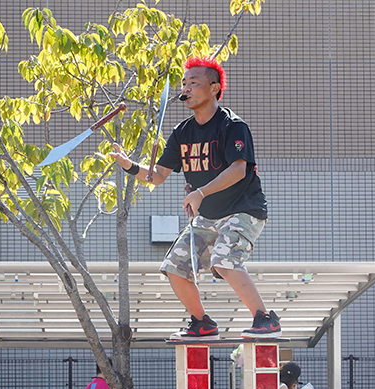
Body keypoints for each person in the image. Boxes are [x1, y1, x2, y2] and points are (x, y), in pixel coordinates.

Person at [108, 56, 280, 339]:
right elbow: (157, 175)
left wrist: (200, 192)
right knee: (174, 267)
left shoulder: (232, 126)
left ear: (214, 88)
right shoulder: (182, 133)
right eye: (184, 83)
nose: (185, 88)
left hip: (243, 210)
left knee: (224, 260)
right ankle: (202, 323)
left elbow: (238, 170)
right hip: (208, 216)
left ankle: (265, 318)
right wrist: (129, 165)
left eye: (193, 83)